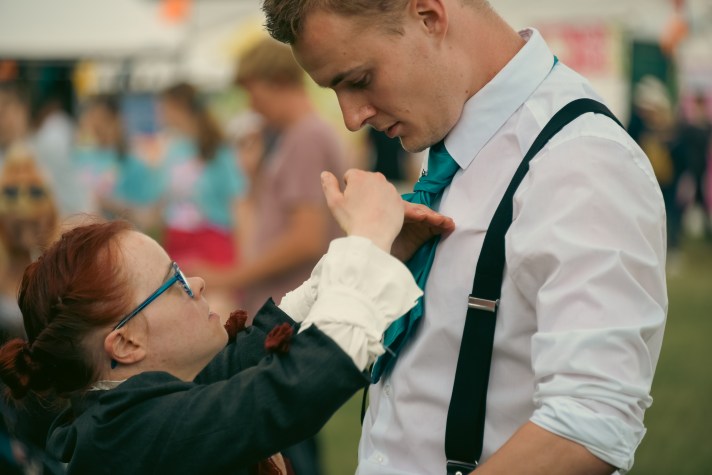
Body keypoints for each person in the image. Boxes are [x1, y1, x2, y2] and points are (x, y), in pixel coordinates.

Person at [262, 1, 668, 474]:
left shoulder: (579, 159)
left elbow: (586, 426)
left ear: (429, 17)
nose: (352, 117)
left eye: (359, 79)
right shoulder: (455, 132)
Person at [0, 169, 454, 474]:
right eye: (174, 282)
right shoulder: (122, 434)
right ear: (126, 343)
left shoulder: (122, 409)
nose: (197, 282)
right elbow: (284, 395)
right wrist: (367, 238)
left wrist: (378, 251)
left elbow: (246, 358)